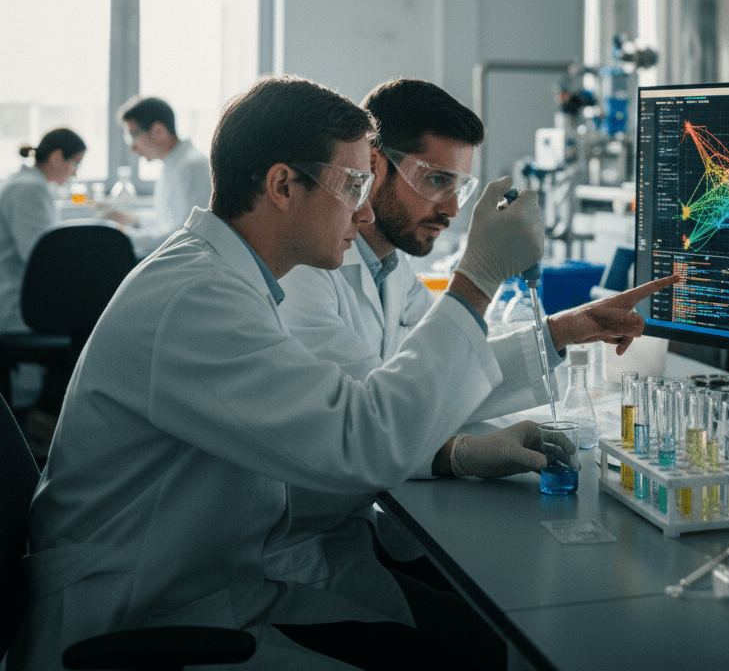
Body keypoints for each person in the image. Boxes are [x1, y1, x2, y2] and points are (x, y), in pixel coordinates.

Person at [10, 74, 553, 671]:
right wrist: (476, 279)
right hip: (135, 621)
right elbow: (363, 440)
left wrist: (453, 448)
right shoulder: (198, 299)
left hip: (216, 586)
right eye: (353, 185)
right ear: (282, 185)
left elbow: (341, 415)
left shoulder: (232, 280)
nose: (367, 209)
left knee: (462, 637)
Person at [273, 77, 678, 597]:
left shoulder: (388, 269)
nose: (452, 208)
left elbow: (451, 365)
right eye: (436, 179)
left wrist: (564, 330)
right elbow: (367, 430)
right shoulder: (306, 274)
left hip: (354, 535)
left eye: (460, 187)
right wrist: (455, 453)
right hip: (297, 554)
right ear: (373, 164)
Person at [0, 127, 87, 454]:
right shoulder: (27, 191)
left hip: (19, 299)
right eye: (75, 163)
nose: (75, 173)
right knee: (88, 329)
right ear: (55, 157)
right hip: (14, 306)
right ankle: (43, 418)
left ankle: (42, 417)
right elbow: (40, 257)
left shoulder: (31, 187)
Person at [111, 95, 212, 255]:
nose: (132, 148)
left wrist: (125, 236)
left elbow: (185, 235)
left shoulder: (193, 166)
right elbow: (166, 221)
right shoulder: (173, 164)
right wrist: (131, 218)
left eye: (133, 136)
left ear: (158, 131)